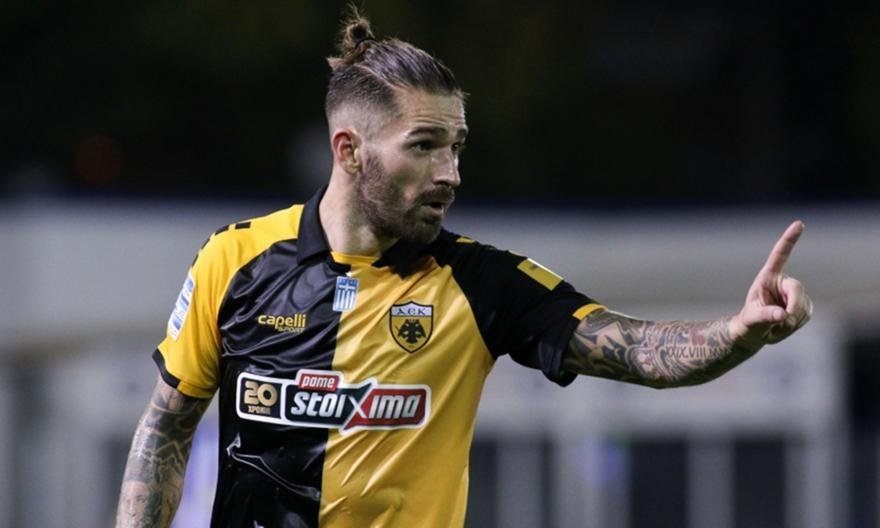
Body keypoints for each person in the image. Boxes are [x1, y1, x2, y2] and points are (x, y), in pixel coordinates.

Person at [115, 9, 813, 528]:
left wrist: (739, 332)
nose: (449, 172)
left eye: (457, 146)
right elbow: (166, 429)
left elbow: (640, 351)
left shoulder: (481, 283)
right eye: (424, 146)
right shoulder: (234, 259)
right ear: (349, 150)